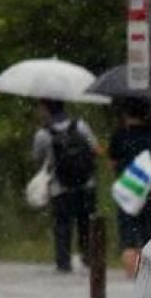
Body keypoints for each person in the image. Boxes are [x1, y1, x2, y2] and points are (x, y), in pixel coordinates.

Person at [32, 99, 100, 273]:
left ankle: (63, 263)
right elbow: (95, 149)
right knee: (85, 222)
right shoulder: (81, 125)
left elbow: (38, 160)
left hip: (60, 187)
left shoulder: (43, 134)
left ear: (46, 109)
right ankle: (88, 259)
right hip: (86, 185)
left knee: (62, 225)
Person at [108, 97, 151, 278]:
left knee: (128, 238)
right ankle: (145, 276)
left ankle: (132, 275)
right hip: (150, 191)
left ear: (125, 113)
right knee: (149, 235)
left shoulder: (120, 135)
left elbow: (112, 163)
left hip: (127, 191)